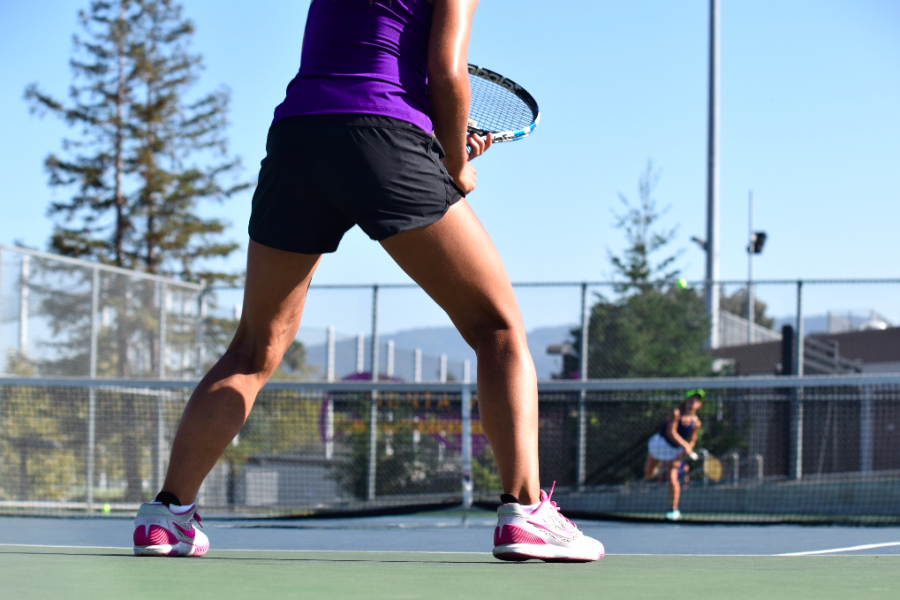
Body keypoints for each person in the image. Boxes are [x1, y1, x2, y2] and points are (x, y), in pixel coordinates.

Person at [131, 0, 603, 563]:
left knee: (253, 348)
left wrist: (435, 137)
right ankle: (527, 512)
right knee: (496, 328)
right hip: (383, 136)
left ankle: (167, 515)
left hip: (298, 137)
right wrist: (456, 164)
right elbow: (445, 72)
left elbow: (363, 56)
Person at [644, 389, 704, 521]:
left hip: (675, 451)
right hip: (660, 445)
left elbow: (692, 441)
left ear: (699, 405)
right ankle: (659, 468)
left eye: (696, 400)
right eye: (690, 399)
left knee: (672, 478)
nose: (693, 402)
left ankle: (673, 509)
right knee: (648, 474)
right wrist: (685, 446)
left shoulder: (696, 422)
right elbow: (671, 433)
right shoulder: (676, 413)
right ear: (685, 401)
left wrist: (681, 455)